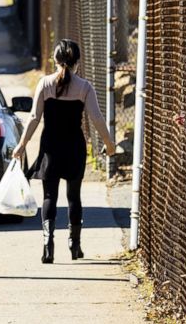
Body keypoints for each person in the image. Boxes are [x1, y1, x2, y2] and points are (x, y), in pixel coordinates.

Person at [12, 39, 116, 264]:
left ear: (55, 61)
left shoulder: (45, 84)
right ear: (77, 62)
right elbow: (96, 118)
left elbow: (33, 117)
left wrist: (22, 144)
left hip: (50, 147)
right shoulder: (84, 87)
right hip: (74, 147)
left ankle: (48, 245)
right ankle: (74, 244)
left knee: (49, 196)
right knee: (74, 197)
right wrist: (109, 144)